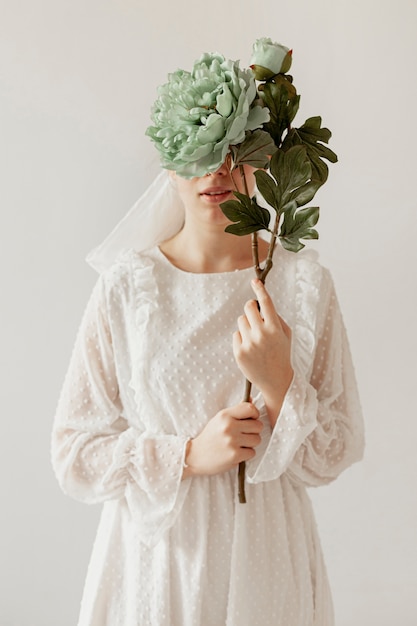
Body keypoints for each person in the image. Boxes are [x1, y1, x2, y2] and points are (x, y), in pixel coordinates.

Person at [52, 42, 364, 626]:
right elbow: (74, 453)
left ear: (264, 156)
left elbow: (338, 447)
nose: (218, 171)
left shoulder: (299, 286)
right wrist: (189, 455)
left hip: (268, 562)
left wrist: (280, 385)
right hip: (157, 563)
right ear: (171, 159)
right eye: (199, 149)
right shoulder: (127, 289)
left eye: (236, 148)